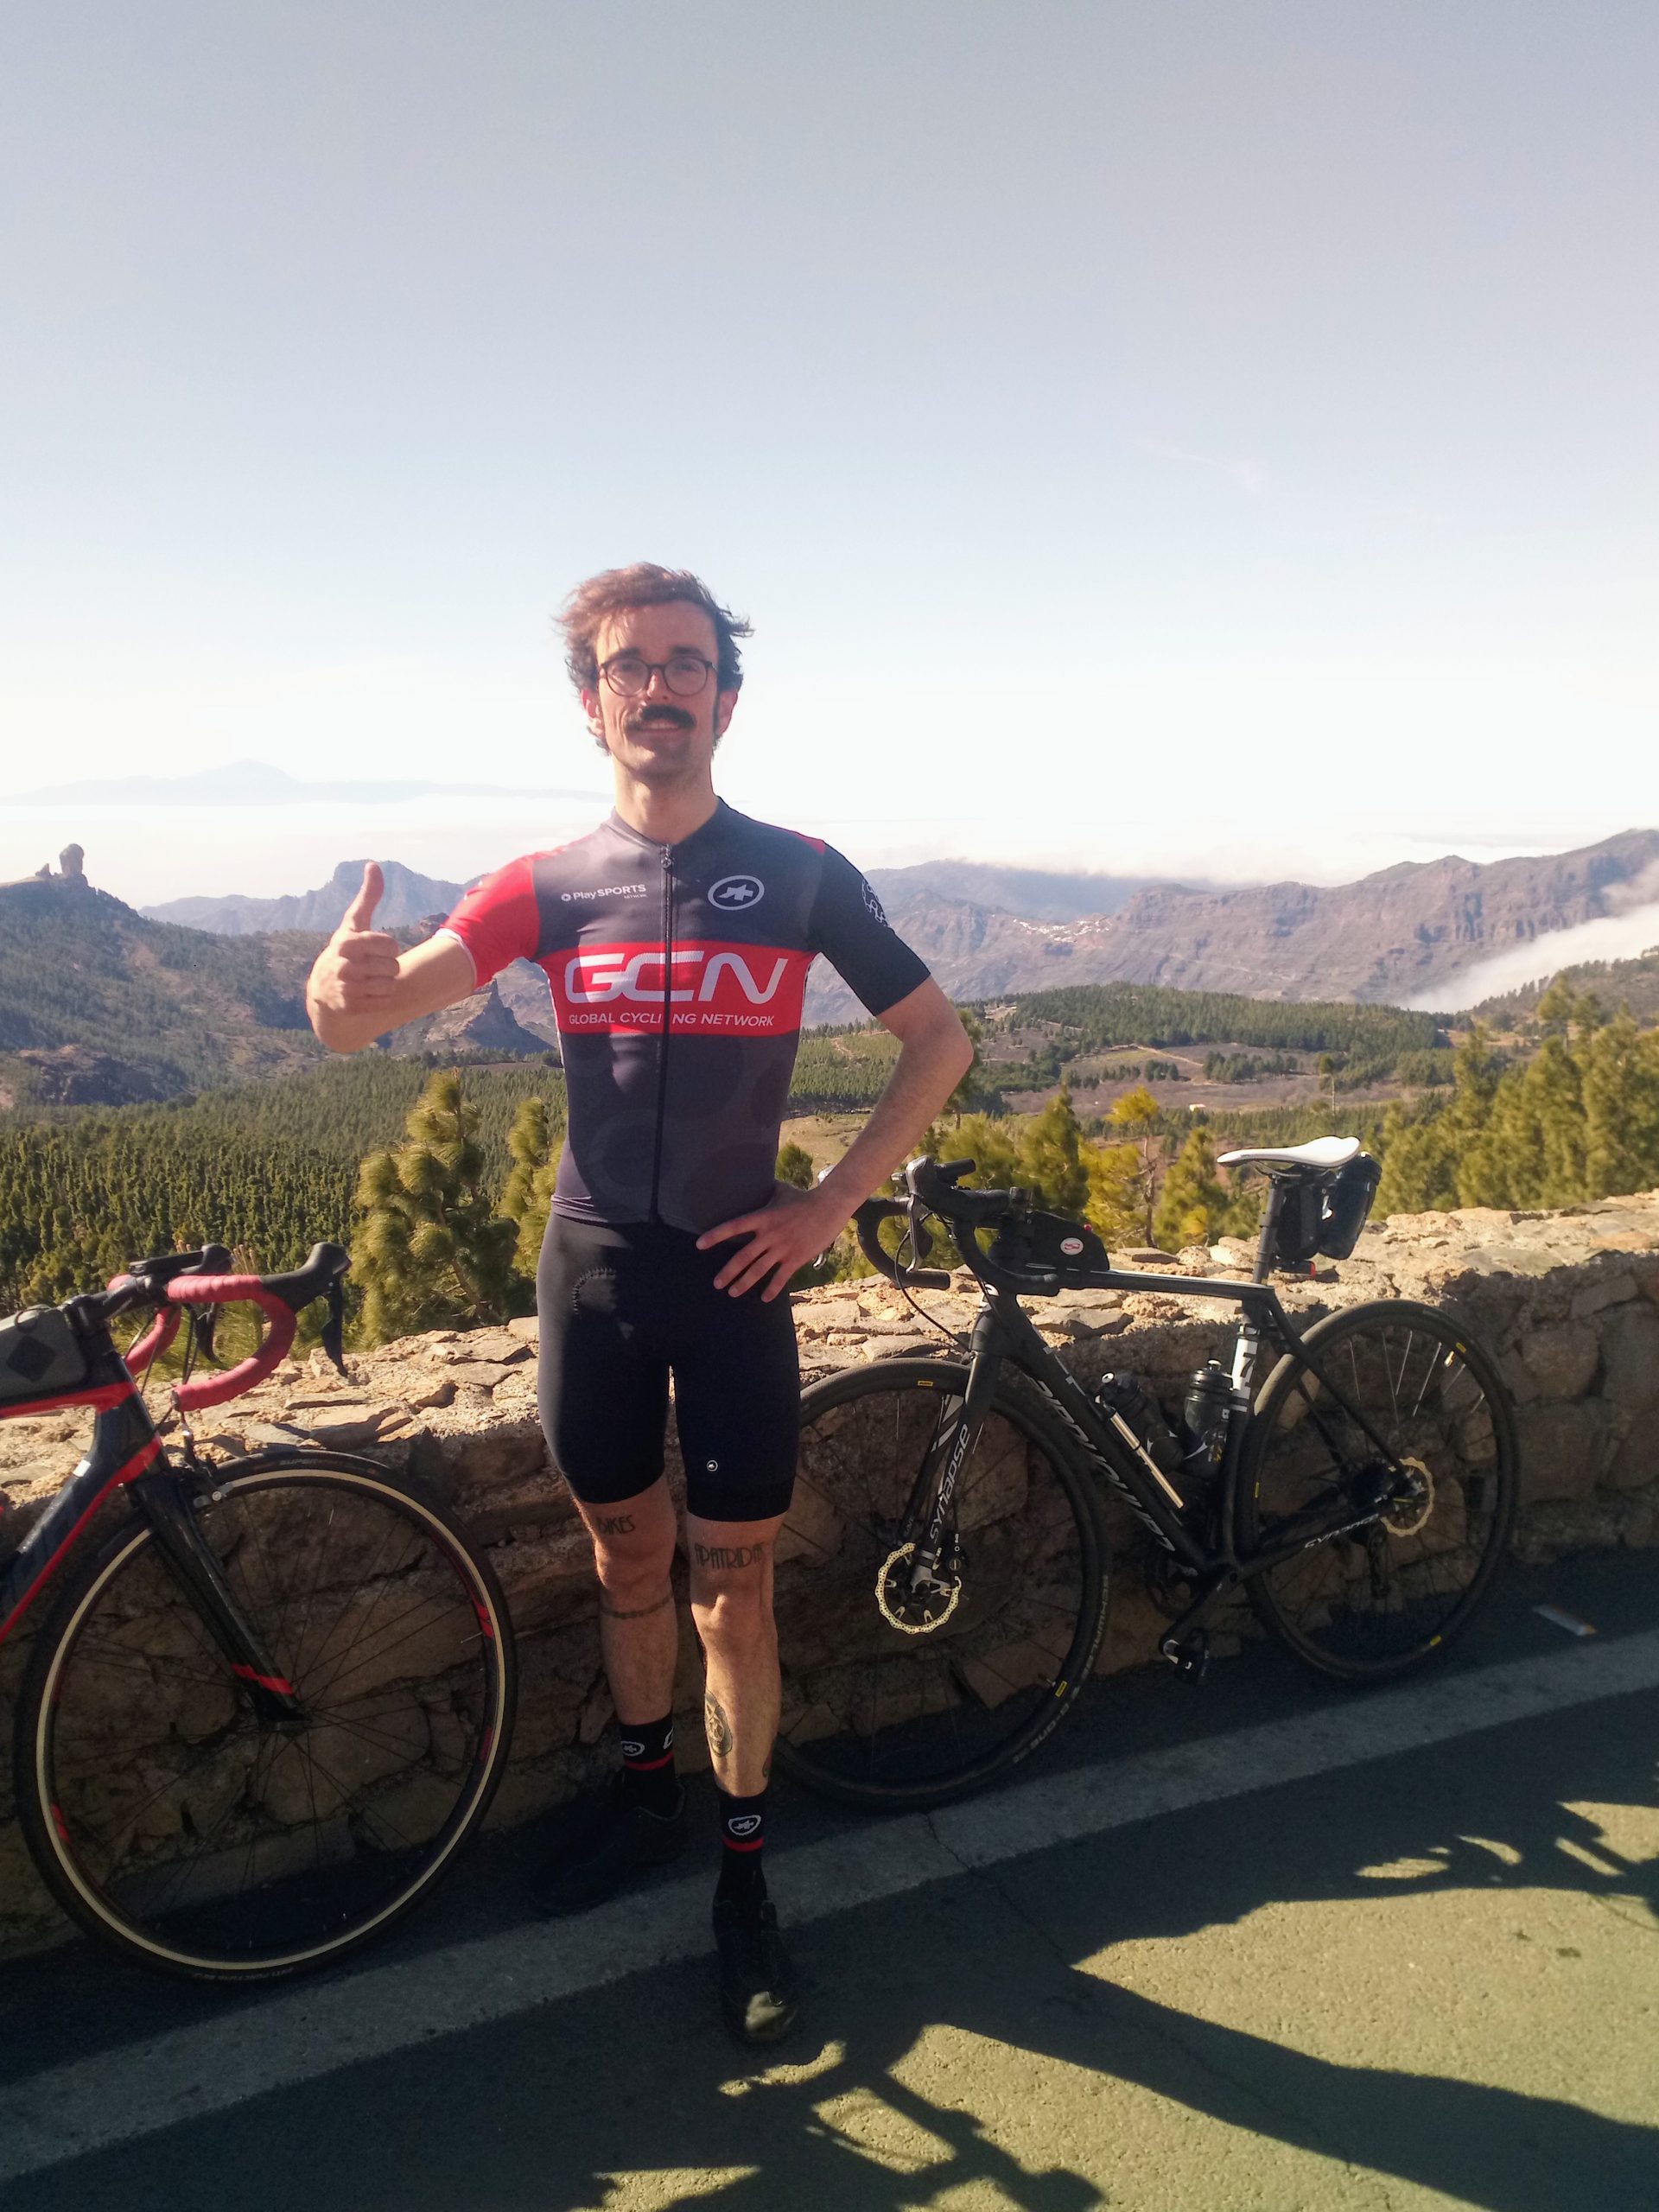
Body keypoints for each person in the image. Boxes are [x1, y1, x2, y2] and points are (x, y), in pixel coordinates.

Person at [306, 564, 972, 2043]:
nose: (658, 687)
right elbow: (368, 1016)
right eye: (629, 666)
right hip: (593, 1282)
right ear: (590, 700)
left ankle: (744, 1878)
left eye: (685, 664)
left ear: (726, 699)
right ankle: (645, 1794)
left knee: (734, 1589)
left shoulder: (801, 872)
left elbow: (938, 1039)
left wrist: (828, 1206)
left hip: (734, 1288)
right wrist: (332, 990)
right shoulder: (546, 886)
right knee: (625, 1558)